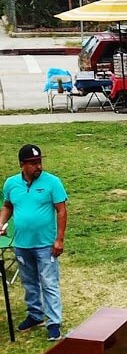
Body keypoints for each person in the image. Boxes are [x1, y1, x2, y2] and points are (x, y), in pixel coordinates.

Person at [0, 144, 68, 341]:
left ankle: (54, 322)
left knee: (49, 283)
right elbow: (7, 206)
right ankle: (35, 314)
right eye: (33, 163)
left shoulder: (52, 182)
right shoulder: (11, 184)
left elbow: (61, 211)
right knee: (29, 282)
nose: (38, 166)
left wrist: (59, 239)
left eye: (39, 162)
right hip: (22, 244)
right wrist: (2, 221)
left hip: (46, 244)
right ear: (22, 165)